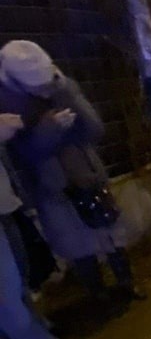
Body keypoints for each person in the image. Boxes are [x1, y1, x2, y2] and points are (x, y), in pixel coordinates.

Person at [0, 41, 145, 303]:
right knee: (78, 245)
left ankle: (127, 283)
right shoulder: (8, 107)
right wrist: (49, 129)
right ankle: (98, 294)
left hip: (86, 174)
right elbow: (22, 157)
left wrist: (67, 94)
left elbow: (95, 129)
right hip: (52, 188)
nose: (45, 90)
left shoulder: (61, 87)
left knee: (110, 233)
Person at [0, 113, 55, 339]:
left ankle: (35, 322)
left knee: (19, 283)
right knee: (10, 300)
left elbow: (9, 167)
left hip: (7, 210)